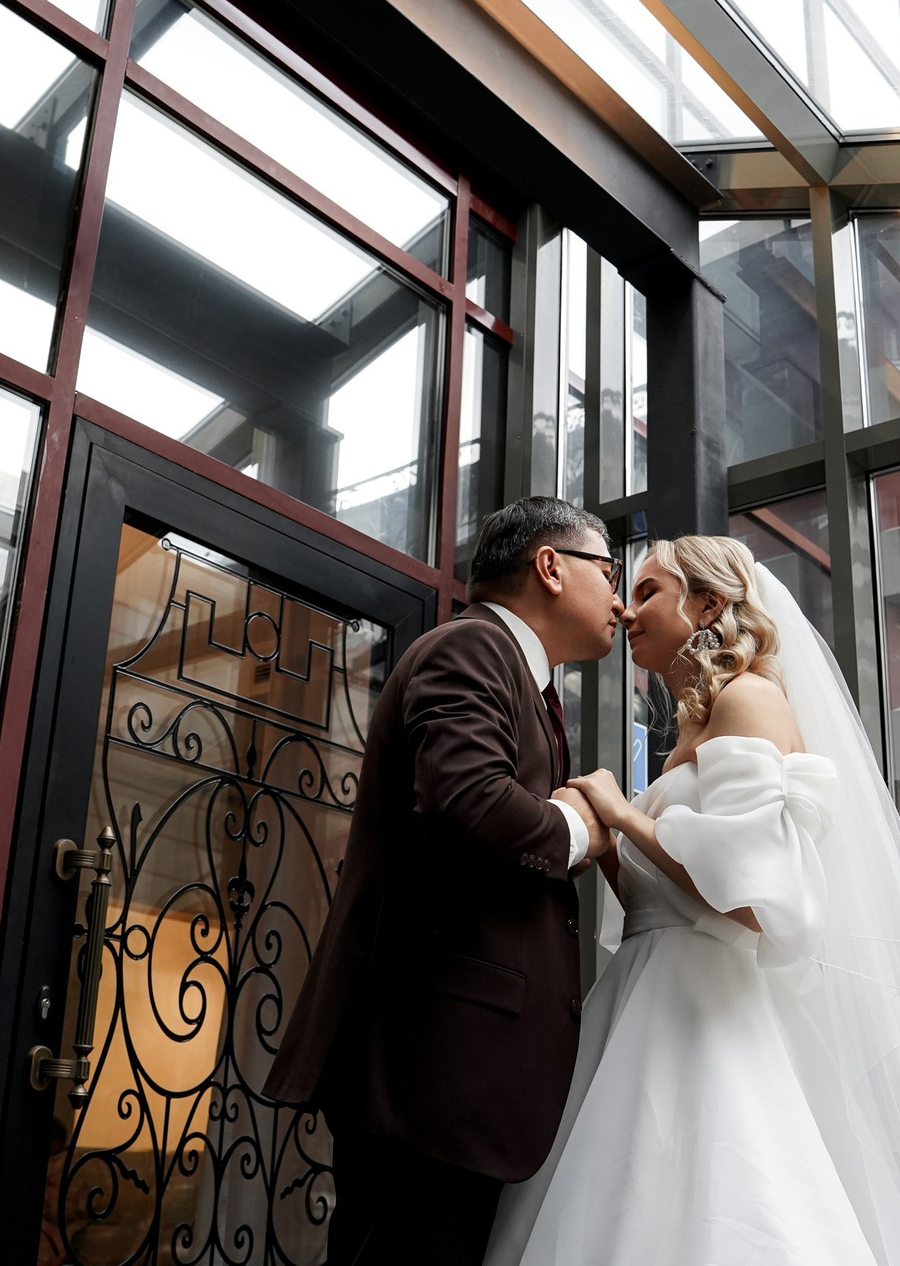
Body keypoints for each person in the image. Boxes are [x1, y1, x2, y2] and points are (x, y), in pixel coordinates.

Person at [484, 536, 900, 1266]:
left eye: (650, 591)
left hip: (706, 1007)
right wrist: (609, 850)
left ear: (709, 606)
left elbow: (752, 903)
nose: (628, 610)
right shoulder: (696, 720)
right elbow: (669, 897)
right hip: (647, 991)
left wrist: (626, 814)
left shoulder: (748, 698)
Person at [265, 496, 623, 1266]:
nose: (620, 601)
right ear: (551, 567)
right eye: (609, 571)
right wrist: (577, 831)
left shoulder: (521, 677)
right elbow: (467, 803)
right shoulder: (471, 649)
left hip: (458, 1075)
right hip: (430, 1070)